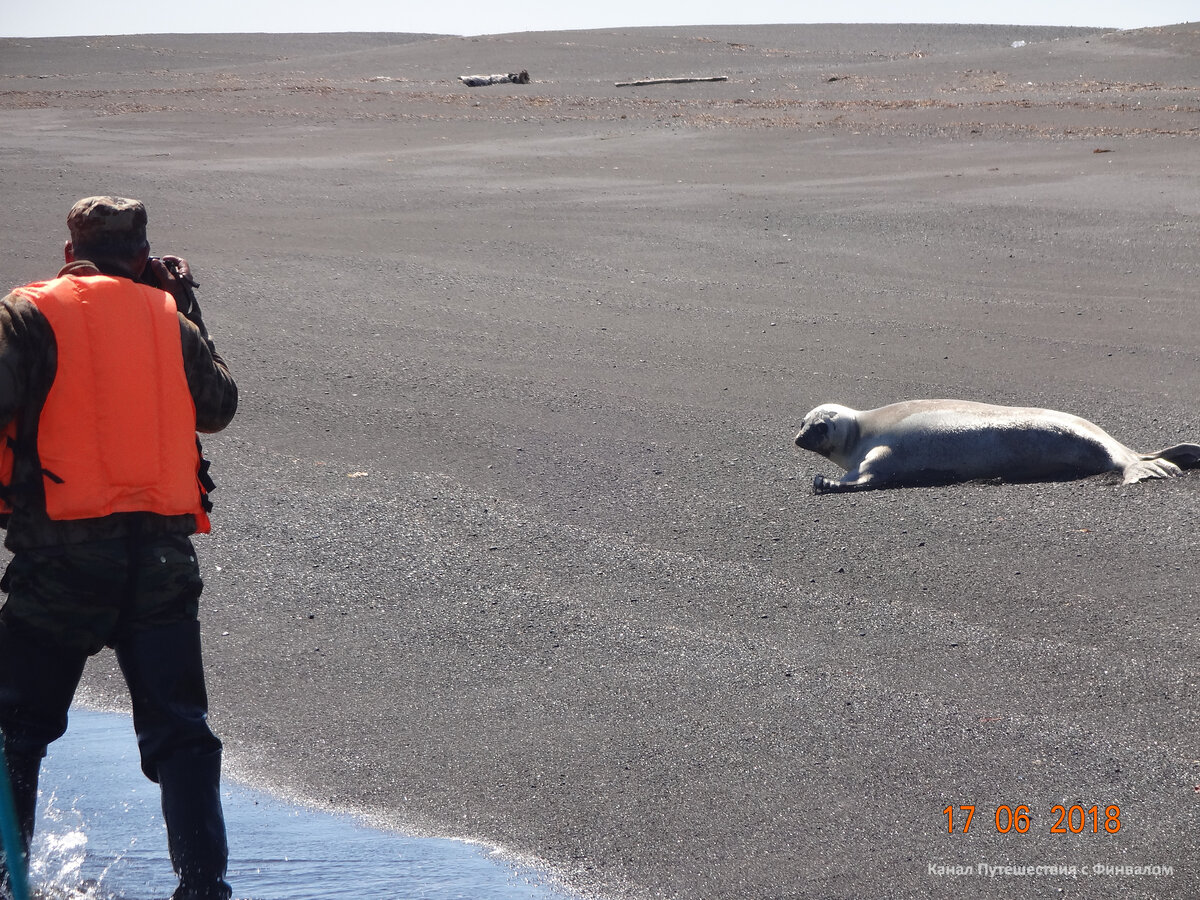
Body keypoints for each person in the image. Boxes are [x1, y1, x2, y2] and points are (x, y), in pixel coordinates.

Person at [0, 197, 238, 900]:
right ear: (141, 253)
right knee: (183, 735)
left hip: (62, 554)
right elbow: (218, 407)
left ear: (71, 252)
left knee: (16, 729)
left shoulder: (27, 311)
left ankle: (8, 879)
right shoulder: (167, 316)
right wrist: (182, 304)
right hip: (161, 556)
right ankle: (204, 888)